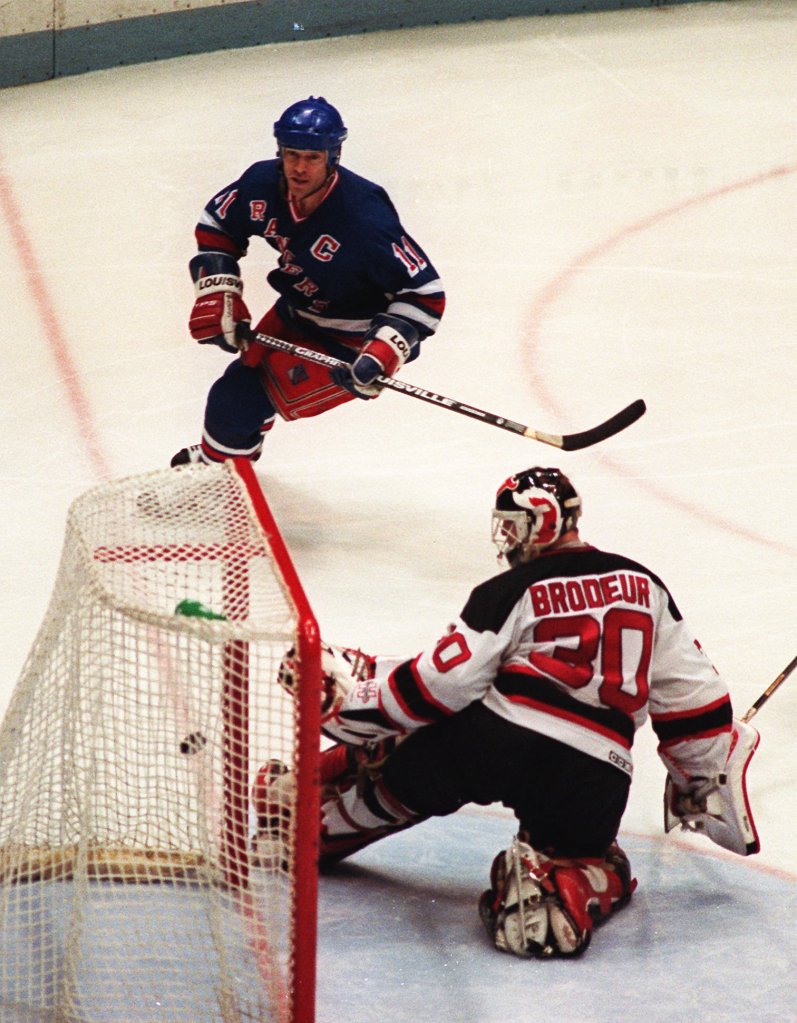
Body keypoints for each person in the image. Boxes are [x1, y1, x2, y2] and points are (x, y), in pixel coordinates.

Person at [255, 466, 761, 959]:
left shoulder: (507, 592)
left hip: (497, 739)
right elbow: (695, 697)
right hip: (598, 771)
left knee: (400, 758)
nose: (507, 540)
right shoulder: (645, 586)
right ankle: (561, 886)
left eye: (514, 526)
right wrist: (701, 775)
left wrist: (354, 704)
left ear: (541, 524)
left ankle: (308, 821)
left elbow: (440, 686)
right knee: (593, 857)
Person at [172, 96, 445, 466]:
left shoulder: (364, 218)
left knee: (237, 401)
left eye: (313, 158)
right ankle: (230, 460)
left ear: (333, 158)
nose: (300, 168)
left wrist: (383, 351)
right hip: (296, 311)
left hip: (352, 339)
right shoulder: (262, 184)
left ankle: (218, 473)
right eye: (292, 155)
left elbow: (425, 294)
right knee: (237, 390)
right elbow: (217, 222)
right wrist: (219, 289)